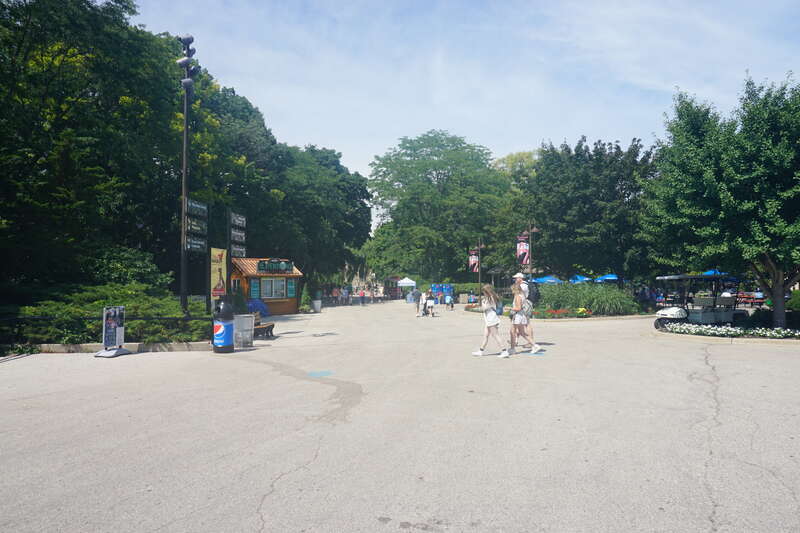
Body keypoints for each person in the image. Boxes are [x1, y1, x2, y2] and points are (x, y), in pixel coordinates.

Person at [472, 284, 510, 358]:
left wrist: (482, 303)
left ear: (487, 292)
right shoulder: (492, 297)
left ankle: (504, 351)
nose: (483, 293)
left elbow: (484, 308)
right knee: (486, 335)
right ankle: (480, 351)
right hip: (490, 319)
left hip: (491, 319)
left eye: (484, 292)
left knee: (495, 335)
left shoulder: (490, 298)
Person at [509, 284, 540, 354]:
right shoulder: (522, 295)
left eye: (512, 290)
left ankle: (512, 349)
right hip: (521, 316)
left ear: (515, 290)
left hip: (518, 316)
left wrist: (510, 308)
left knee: (512, 332)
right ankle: (535, 345)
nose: (511, 291)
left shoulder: (517, 296)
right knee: (522, 333)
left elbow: (518, 308)